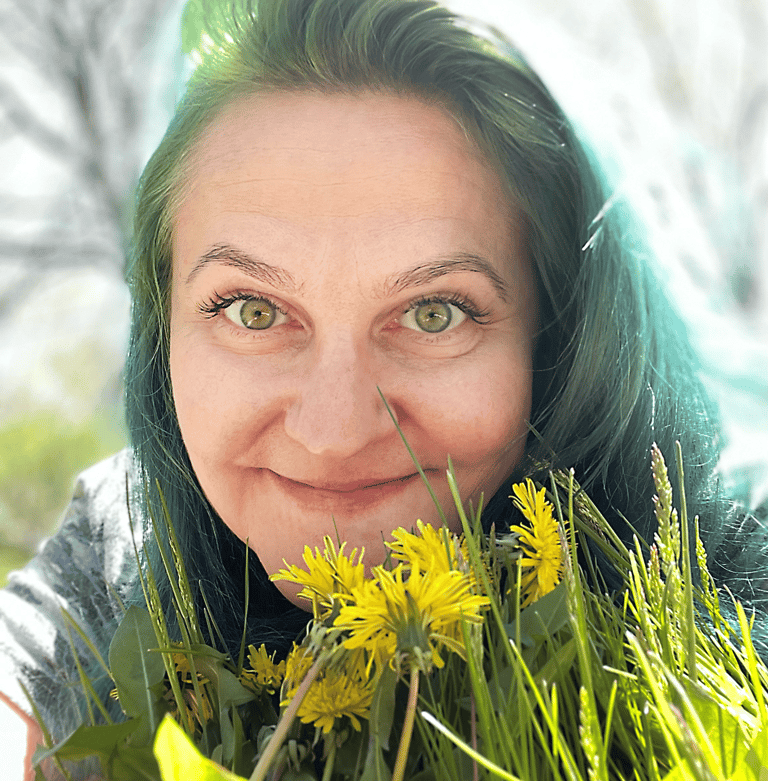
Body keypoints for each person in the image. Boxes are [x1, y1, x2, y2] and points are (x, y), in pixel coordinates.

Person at [1, 0, 765, 778]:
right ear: (164, 333)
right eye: (253, 310)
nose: (334, 432)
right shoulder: (116, 555)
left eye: (433, 314)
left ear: (562, 336)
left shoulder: (734, 621)